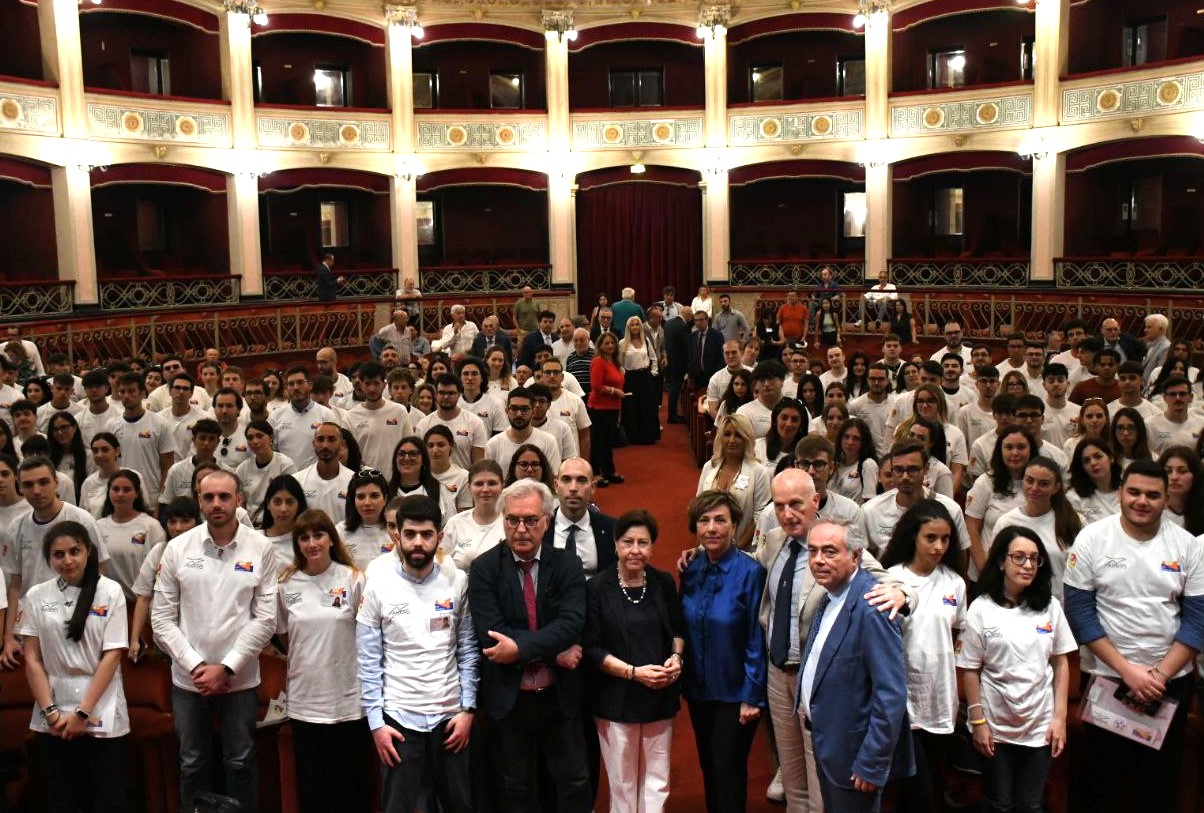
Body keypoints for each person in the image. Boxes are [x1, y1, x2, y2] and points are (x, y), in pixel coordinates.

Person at [1064, 460, 1204, 813]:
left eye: (1153, 495)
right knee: (1100, 781)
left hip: (1168, 683)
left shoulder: (1188, 545)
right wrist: (1127, 671)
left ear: (1167, 496)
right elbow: (1080, 613)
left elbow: (1197, 620)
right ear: (1121, 492)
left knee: (1158, 784)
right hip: (1107, 677)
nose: (1142, 501)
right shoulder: (1092, 537)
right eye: (1135, 492)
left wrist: (1158, 676)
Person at [151, 469, 277, 812]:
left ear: (239, 500)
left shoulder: (261, 547)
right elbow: (161, 619)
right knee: (192, 762)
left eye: (224, 496)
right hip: (189, 681)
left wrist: (226, 667)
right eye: (208, 497)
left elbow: (266, 618)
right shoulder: (177, 548)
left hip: (240, 679)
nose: (216, 504)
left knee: (240, 761)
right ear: (199, 501)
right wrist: (197, 666)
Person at [467, 479, 590, 813]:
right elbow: (493, 634)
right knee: (515, 789)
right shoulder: (483, 569)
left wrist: (519, 650)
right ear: (503, 519)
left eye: (531, 520)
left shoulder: (567, 564)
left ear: (546, 521)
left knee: (573, 783)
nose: (521, 528)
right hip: (509, 699)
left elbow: (572, 623)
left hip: (558, 696)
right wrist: (552, 651)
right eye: (512, 520)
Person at [798, 520, 914, 812]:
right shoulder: (830, 595)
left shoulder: (872, 607)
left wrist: (872, 762)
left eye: (829, 551)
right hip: (829, 742)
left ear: (856, 556)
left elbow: (891, 694)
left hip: (853, 757)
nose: (818, 560)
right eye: (812, 551)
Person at [957, 527, 1074, 813]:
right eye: (1019, 557)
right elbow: (970, 668)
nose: (1028, 565)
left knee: (1031, 804)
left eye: (1035, 559)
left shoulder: (1050, 607)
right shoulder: (981, 608)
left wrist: (1059, 719)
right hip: (995, 724)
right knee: (1000, 802)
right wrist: (979, 722)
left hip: (1039, 723)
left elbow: (1060, 663)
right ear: (1001, 562)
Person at [18, 520, 131, 813]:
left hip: (100, 705)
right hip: (51, 706)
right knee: (61, 796)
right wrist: (51, 713)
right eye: (58, 554)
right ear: (49, 558)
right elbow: (32, 658)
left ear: (88, 551)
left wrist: (82, 712)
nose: (67, 560)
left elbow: (113, 655)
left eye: (75, 551)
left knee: (107, 796)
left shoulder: (110, 591)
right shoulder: (36, 596)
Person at [583, 509, 684, 813]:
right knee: (623, 782)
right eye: (628, 542)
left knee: (658, 778)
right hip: (615, 697)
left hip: (659, 694)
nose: (636, 551)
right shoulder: (597, 588)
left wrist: (677, 658)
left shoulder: (663, 582)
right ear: (615, 545)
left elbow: (678, 629)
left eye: (644, 543)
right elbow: (591, 648)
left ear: (653, 546)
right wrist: (632, 672)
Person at [276, 509, 370, 813]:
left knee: (350, 785)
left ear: (331, 538)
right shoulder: (286, 584)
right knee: (313, 787)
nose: (312, 543)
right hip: (306, 701)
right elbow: (285, 638)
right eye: (304, 537)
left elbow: (368, 635)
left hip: (348, 700)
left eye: (318, 535)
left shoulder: (353, 578)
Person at [679, 490, 766, 813]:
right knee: (709, 766)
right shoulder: (691, 568)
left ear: (734, 525)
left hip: (735, 692)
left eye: (720, 520)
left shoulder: (751, 573)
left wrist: (751, 695)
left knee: (728, 769)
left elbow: (757, 639)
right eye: (704, 520)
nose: (712, 528)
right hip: (700, 688)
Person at [880, 501, 965, 813]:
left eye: (945, 539)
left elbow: (959, 633)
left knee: (933, 779)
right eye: (931, 538)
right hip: (903, 696)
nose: (939, 546)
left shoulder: (954, 582)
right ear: (913, 536)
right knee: (918, 789)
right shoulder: (890, 577)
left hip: (941, 697)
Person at [964, 427, 1036, 576]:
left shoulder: (1037, 484)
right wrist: (984, 570)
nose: (1014, 453)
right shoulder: (985, 483)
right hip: (988, 568)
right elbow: (972, 527)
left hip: (1027, 571)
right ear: (999, 450)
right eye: (1008, 447)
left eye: (1021, 447)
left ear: (1031, 450)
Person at [697, 414, 771, 551]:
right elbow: (699, 508)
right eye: (727, 434)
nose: (732, 440)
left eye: (738, 435)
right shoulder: (709, 467)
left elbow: (759, 517)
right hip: (708, 549)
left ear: (746, 438)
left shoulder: (759, 471)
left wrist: (735, 550)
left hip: (742, 551)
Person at [95, 467, 165, 602]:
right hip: (107, 603)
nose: (120, 494)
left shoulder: (151, 526)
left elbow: (159, 570)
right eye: (115, 489)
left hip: (141, 603)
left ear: (137, 493)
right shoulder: (98, 526)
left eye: (127, 490)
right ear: (108, 492)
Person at [441, 459, 506, 570]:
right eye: (479, 484)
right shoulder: (455, 523)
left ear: (502, 486)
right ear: (469, 487)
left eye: (492, 483)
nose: (485, 489)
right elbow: (439, 558)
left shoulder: (511, 522)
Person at [588, 332, 627, 487]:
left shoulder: (615, 362)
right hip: (598, 407)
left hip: (613, 407)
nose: (610, 346)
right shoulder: (598, 361)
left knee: (608, 442)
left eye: (612, 343)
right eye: (606, 343)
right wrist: (614, 391)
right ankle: (596, 473)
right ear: (600, 345)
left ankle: (609, 471)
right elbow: (596, 386)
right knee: (598, 441)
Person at [388, 435, 457, 520]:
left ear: (423, 459)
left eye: (413, 454)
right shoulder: (385, 491)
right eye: (401, 454)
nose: (406, 458)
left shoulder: (440, 491)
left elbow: (450, 528)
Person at [338, 469, 393, 571]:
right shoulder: (340, 531)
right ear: (353, 500)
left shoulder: (397, 530)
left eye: (374, 496)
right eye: (361, 497)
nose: (367, 502)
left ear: (385, 499)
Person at [619, 315, 660, 445]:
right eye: (633, 325)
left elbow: (653, 358)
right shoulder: (622, 343)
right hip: (630, 378)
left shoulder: (646, 340)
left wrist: (653, 372)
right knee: (631, 407)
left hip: (645, 377)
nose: (635, 327)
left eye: (637, 324)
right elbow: (619, 363)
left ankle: (648, 436)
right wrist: (624, 374)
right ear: (628, 327)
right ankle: (633, 436)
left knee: (647, 406)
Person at [1067, 437, 1121, 525]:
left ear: (1111, 458)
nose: (1093, 463)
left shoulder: (1127, 490)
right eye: (1086, 461)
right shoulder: (1074, 498)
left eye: (1098, 457)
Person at [260, 474, 310, 566]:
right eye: (277, 502)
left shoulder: (309, 540)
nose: (283, 509)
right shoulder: (256, 539)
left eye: (290, 502)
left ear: (299, 505)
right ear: (268, 504)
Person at [832, 417, 879, 503]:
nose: (850, 442)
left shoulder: (868, 465)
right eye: (846, 437)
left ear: (864, 442)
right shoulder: (834, 462)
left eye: (856, 438)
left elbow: (870, 502)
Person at [1159, 445, 1204, 534]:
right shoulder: (1153, 509)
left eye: (1182, 471)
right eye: (1168, 471)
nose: (1174, 477)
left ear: (1195, 474)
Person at [426, 424, 472, 511]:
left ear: (451, 446)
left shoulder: (463, 477)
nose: (435, 450)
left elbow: (463, 516)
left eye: (441, 445)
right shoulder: (417, 474)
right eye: (430, 446)